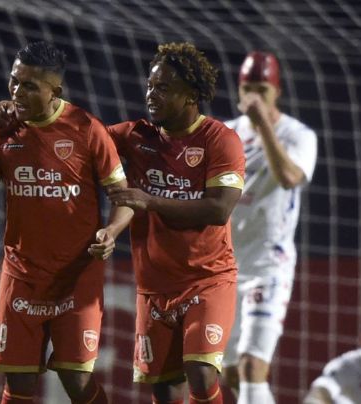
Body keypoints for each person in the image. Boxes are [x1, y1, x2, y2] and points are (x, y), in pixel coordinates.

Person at [0, 41, 131, 404]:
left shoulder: (87, 129)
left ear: (54, 91)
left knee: (76, 381)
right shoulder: (0, 130)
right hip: (22, 276)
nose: (16, 93)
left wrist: (112, 231)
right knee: (19, 386)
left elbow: (123, 197)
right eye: (14, 82)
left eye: (29, 86)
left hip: (76, 277)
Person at [105, 42, 245, 404]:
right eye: (151, 86)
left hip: (207, 280)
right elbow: (83, 136)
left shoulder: (220, 140)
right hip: (153, 288)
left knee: (200, 373)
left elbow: (218, 209)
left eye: (164, 88)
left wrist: (149, 201)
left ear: (191, 95)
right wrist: (19, 114)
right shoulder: (136, 136)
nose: (152, 95)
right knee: (166, 391)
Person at [219, 50, 318, 404]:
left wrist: (263, 127)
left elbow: (290, 177)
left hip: (268, 266)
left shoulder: (298, 135)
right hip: (225, 268)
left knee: (251, 367)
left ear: (277, 91)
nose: (254, 97)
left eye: (262, 89)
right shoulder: (225, 133)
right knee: (231, 373)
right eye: (248, 89)